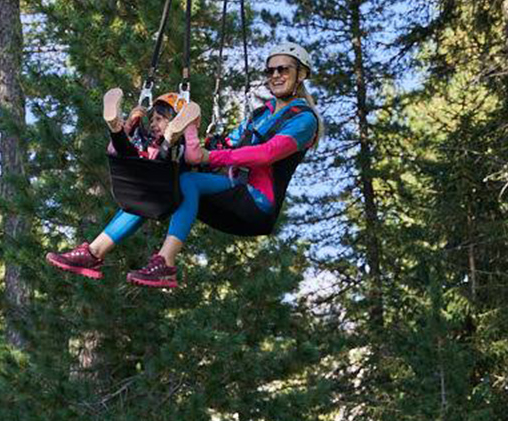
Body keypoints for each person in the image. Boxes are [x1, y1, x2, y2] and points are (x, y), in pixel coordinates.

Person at [46, 42, 324, 288]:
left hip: (255, 204)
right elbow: (229, 143)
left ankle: (165, 264)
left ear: (300, 75)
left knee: (186, 181)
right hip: (230, 191)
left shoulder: (304, 119)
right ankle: (93, 253)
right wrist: (202, 146)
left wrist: (207, 157)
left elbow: (266, 154)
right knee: (157, 182)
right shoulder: (261, 114)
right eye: (271, 70)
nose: (275, 75)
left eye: (283, 70)